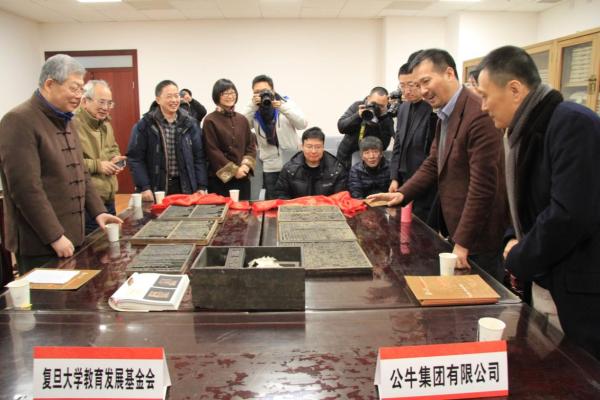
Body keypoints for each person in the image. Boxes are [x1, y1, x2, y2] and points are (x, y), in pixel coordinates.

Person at [477, 45, 600, 360]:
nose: (483, 106)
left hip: (578, 286)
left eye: (486, 96)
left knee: (579, 372)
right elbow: (521, 202)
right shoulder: (521, 131)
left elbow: (569, 215)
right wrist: (511, 237)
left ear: (514, 90)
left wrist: (519, 255)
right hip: (544, 275)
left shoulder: (572, 123)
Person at [368, 49, 508, 282]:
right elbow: (434, 162)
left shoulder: (478, 113)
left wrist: (463, 242)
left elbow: (483, 186)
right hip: (456, 229)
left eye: (426, 81)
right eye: (417, 85)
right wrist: (402, 194)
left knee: (481, 299)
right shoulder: (446, 112)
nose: (423, 91)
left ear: (449, 73)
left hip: (478, 237)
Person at [0, 54, 122, 274]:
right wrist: (54, 236)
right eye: (74, 88)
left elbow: (80, 172)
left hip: (72, 234)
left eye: (81, 90)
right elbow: (26, 189)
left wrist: (98, 211)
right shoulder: (19, 120)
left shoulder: (65, 119)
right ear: (49, 84)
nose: (78, 96)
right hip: (41, 241)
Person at [127, 80, 208, 201]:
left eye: (176, 96)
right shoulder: (145, 124)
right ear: (158, 99)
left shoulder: (190, 123)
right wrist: (144, 187)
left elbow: (199, 157)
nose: (174, 100)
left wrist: (201, 185)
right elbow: (135, 158)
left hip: (185, 185)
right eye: (169, 96)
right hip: (156, 187)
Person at [242, 74, 308, 200]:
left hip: (293, 163)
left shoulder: (285, 102)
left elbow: (302, 124)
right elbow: (241, 126)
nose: (261, 94)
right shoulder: (253, 109)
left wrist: (282, 107)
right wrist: (252, 106)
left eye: (264, 91)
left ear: (272, 90)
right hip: (270, 166)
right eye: (257, 92)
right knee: (272, 202)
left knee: (295, 201)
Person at [73, 80, 126, 234]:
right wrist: (98, 165)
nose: (105, 107)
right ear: (85, 101)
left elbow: (113, 148)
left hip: (108, 196)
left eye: (109, 103)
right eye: (101, 102)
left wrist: (115, 159)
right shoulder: (72, 125)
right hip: (88, 202)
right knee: (93, 246)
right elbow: (68, 163)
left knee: (110, 242)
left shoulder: (105, 124)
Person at [389, 61, 438, 224]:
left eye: (411, 85)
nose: (406, 91)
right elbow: (397, 145)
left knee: (422, 227)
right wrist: (394, 177)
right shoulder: (403, 108)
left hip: (424, 181)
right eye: (402, 85)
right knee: (399, 225)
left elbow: (432, 152)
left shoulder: (432, 109)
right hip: (402, 179)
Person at [203, 79, 257, 200]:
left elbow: (250, 146)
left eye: (232, 92)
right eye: (225, 93)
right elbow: (212, 151)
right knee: (222, 210)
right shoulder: (210, 120)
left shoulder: (242, 119)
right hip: (219, 181)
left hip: (243, 177)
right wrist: (234, 171)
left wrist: (245, 166)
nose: (230, 96)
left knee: (243, 210)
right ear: (217, 96)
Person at [275, 127, 346, 199]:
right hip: (298, 206)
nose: (313, 151)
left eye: (318, 147)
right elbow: (281, 195)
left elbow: (340, 198)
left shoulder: (336, 170)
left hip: (327, 206)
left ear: (323, 147)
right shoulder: (289, 169)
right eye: (309, 147)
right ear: (302, 147)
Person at [336, 87, 394, 170]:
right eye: (374, 104)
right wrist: (358, 116)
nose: (376, 108)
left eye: (381, 106)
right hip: (347, 156)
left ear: (386, 104)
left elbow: (383, 145)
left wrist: (379, 122)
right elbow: (341, 127)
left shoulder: (386, 117)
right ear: (368, 98)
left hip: (370, 161)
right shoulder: (357, 106)